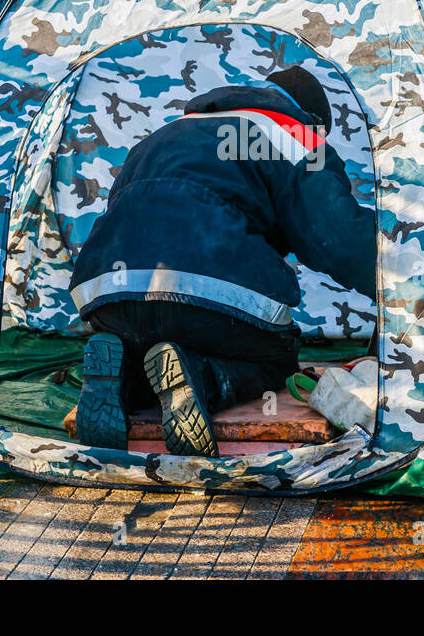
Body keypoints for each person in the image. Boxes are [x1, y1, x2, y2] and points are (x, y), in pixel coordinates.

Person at [68, 66, 377, 456]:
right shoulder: (296, 136)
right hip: (206, 294)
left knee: (154, 339)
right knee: (277, 358)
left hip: (109, 296)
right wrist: (404, 285)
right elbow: (336, 239)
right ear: (312, 120)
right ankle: (204, 377)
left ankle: (122, 377)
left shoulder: (163, 135)